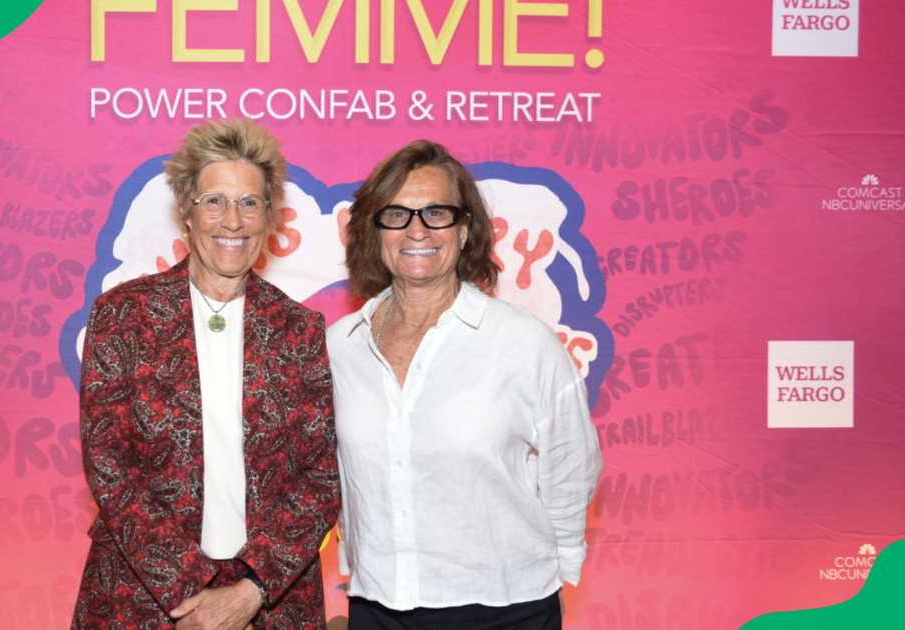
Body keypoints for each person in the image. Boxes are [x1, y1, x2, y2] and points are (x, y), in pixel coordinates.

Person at [72, 119, 340, 630]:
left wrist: (250, 590)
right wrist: (192, 589)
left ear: (269, 217)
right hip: (143, 598)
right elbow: (110, 465)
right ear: (187, 212)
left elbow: (321, 477)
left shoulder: (300, 330)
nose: (232, 220)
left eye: (250, 203)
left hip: (270, 603)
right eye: (215, 200)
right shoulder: (124, 315)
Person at [327, 140, 602, 629]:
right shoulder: (340, 347)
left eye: (437, 213)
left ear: (465, 228)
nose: (416, 230)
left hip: (504, 608)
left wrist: (557, 568)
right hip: (377, 606)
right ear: (373, 231)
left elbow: (570, 465)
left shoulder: (522, 343)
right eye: (396, 214)